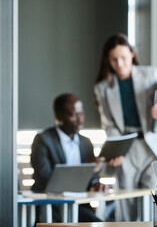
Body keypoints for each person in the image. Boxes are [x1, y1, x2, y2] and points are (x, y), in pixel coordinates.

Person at [94, 33, 157, 221]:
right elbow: (109, 124)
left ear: (132, 54)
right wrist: (116, 151)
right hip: (126, 147)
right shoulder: (103, 87)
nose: (119, 64)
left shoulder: (150, 74)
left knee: (154, 199)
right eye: (114, 60)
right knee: (125, 204)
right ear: (108, 60)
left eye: (123, 57)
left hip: (151, 145)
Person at [30, 93, 119, 222]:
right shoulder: (42, 140)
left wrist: (95, 183)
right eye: (74, 115)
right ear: (58, 116)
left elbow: (91, 180)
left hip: (79, 206)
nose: (80, 119)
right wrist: (85, 171)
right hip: (51, 208)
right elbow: (46, 182)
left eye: (81, 114)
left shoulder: (85, 142)